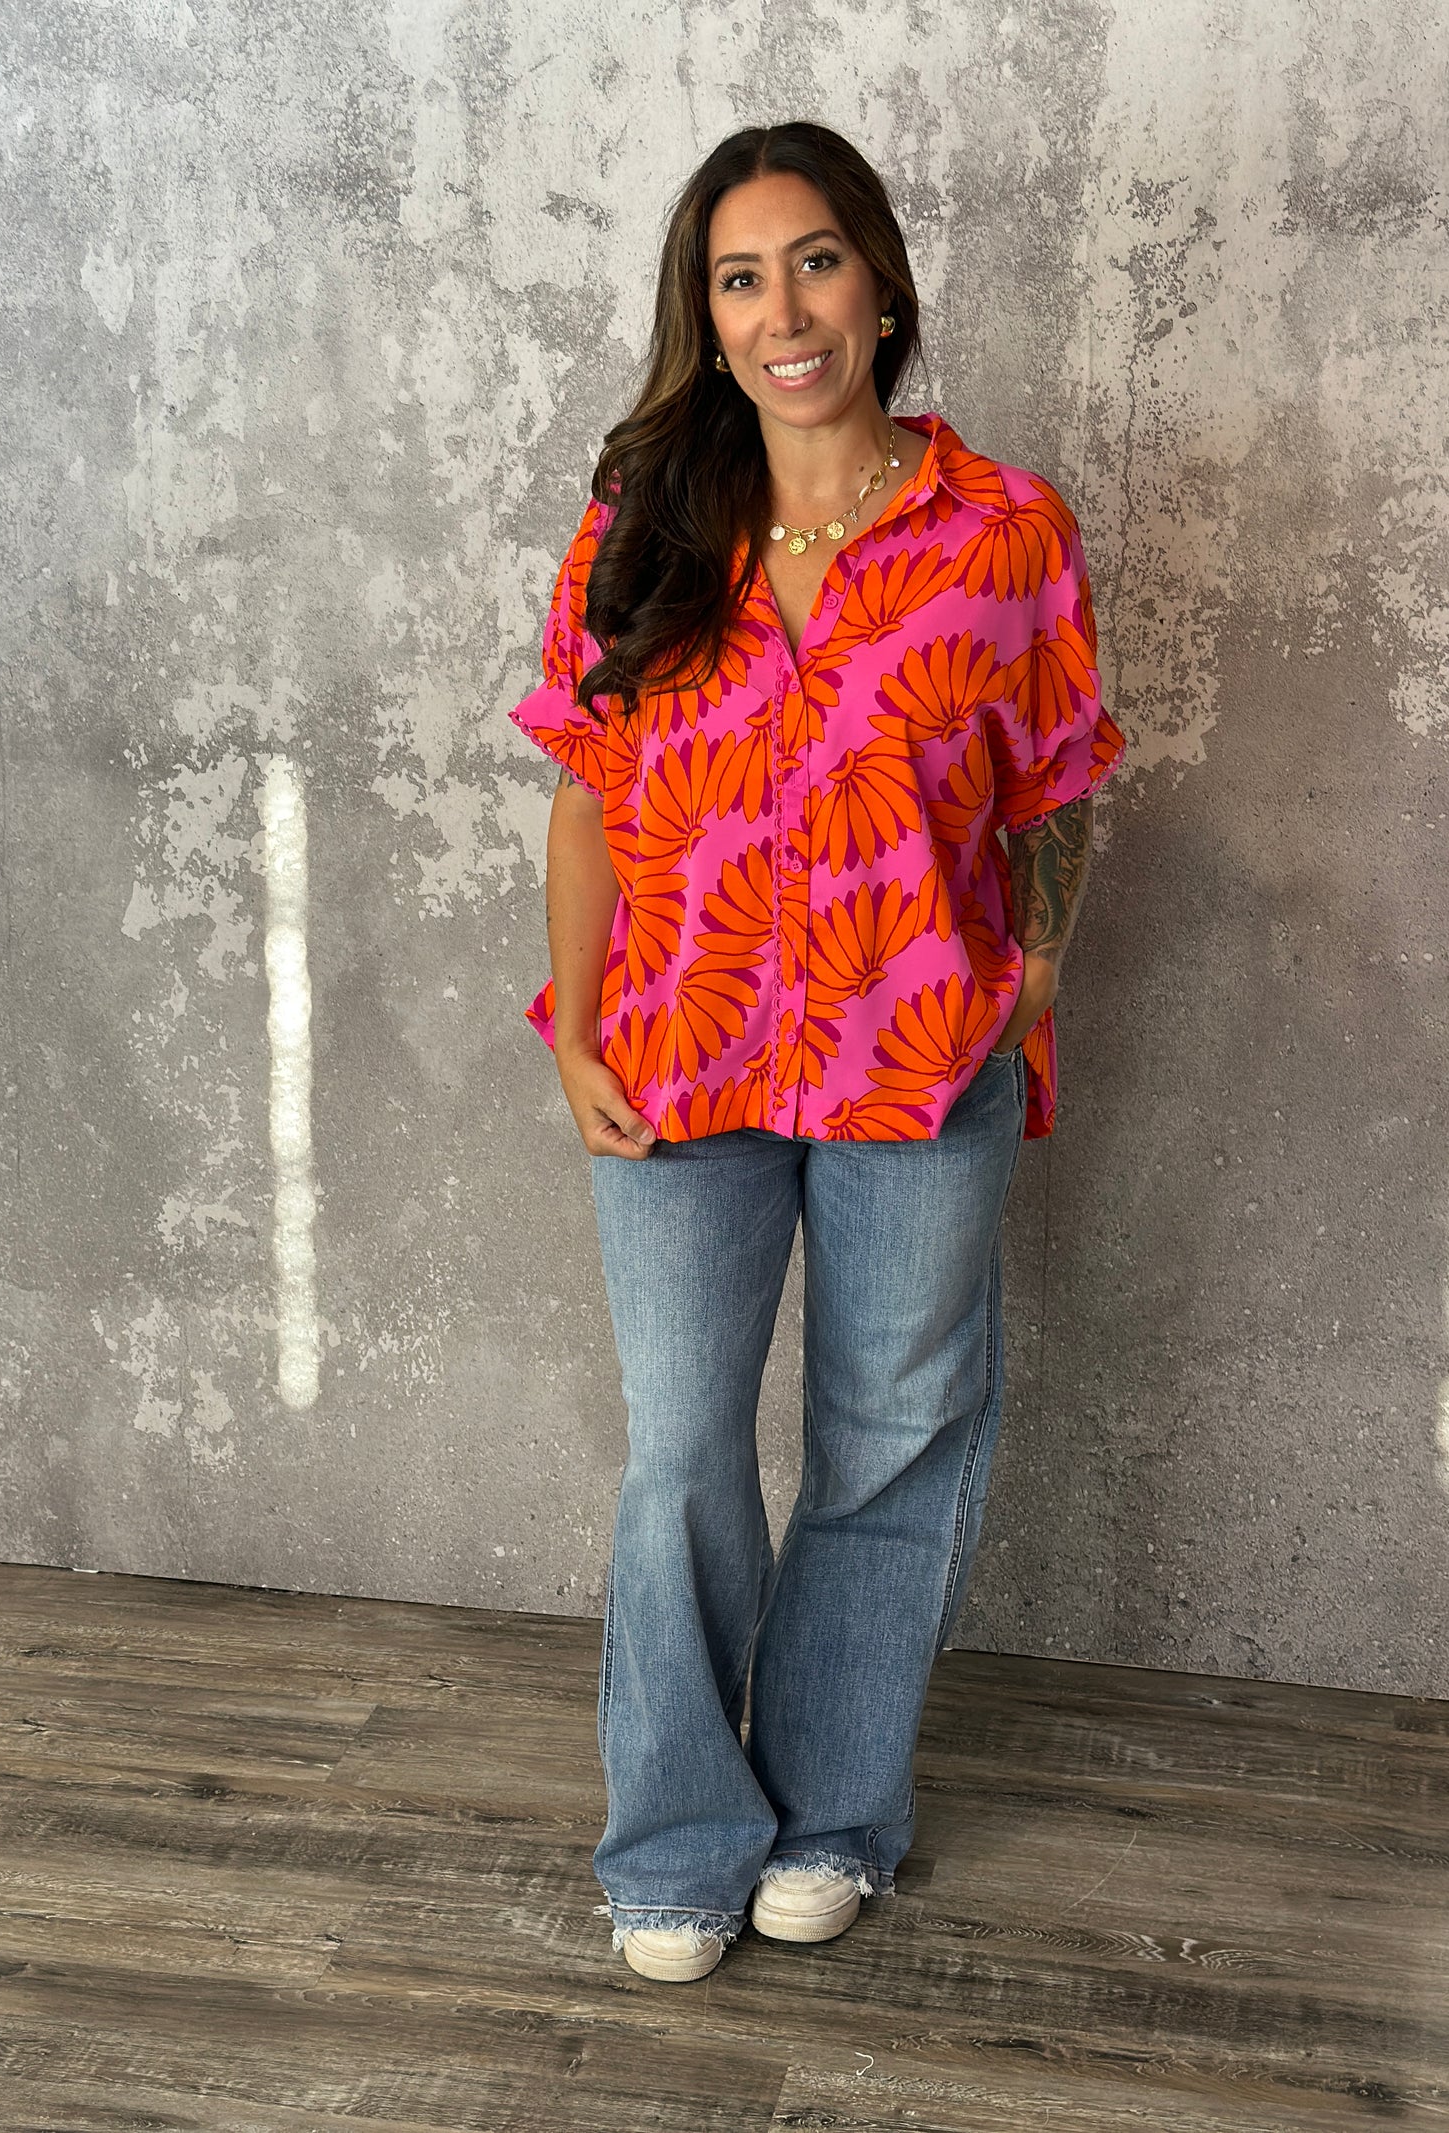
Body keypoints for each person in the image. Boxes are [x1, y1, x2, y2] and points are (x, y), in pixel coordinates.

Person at [508, 121, 1126, 1985]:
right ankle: (681, 1838)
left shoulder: (1004, 531)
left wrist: (1036, 978)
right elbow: (587, 800)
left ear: (884, 283)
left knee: (891, 1441)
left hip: (919, 1071)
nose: (786, 311)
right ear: (706, 313)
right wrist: (574, 1033)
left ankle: (838, 1814)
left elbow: (1059, 794)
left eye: (818, 262)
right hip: (682, 1067)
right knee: (685, 1446)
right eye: (740, 274)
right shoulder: (643, 523)